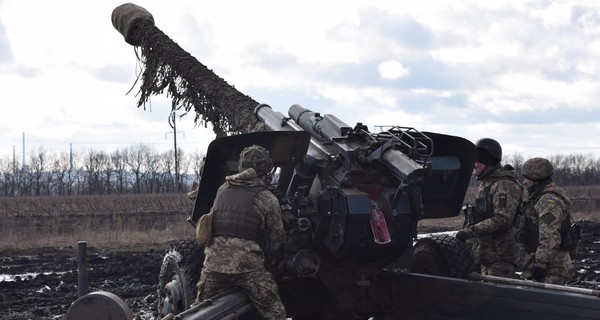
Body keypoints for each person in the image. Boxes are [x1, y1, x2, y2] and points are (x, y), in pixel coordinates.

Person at [194, 145, 286, 320]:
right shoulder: (267, 198)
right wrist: (269, 263)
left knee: (199, 312)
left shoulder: (222, 190)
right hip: (249, 269)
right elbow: (276, 238)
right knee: (276, 314)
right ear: (266, 169)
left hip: (214, 266)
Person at [455, 138, 522, 278]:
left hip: (500, 256)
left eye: (477, 161)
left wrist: (469, 231)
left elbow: (503, 219)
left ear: (488, 160)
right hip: (486, 255)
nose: (474, 166)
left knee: (498, 297)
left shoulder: (504, 184)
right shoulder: (488, 182)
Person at [518, 157, 574, 285]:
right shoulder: (540, 198)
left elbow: (550, 237)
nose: (524, 182)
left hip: (551, 270)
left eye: (527, 178)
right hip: (547, 266)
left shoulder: (548, 202)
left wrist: (540, 266)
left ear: (537, 179)